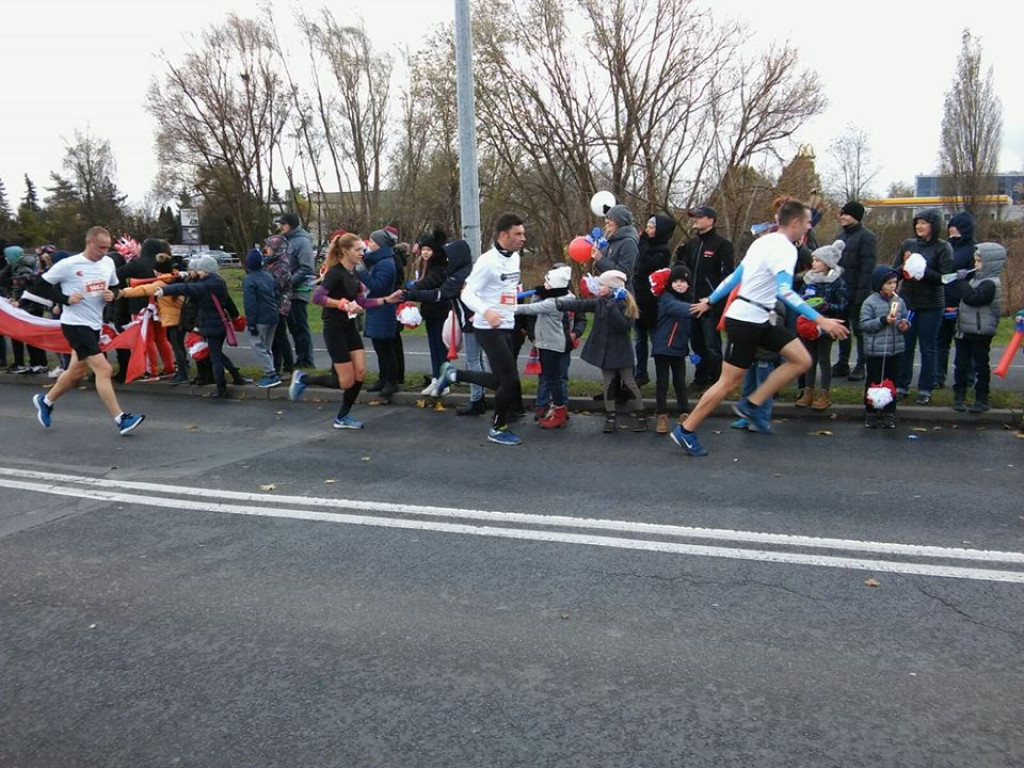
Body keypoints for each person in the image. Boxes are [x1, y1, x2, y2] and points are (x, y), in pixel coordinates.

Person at [670, 200, 849, 457]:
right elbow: (784, 291)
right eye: (807, 222)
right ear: (795, 223)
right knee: (727, 383)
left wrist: (711, 300)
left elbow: (735, 277)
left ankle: (752, 403)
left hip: (761, 317)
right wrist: (821, 320)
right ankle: (686, 430)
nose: (809, 227)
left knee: (801, 359)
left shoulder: (762, 242)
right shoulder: (785, 250)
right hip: (745, 320)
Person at [31, 226, 144, 435]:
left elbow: (115, 288)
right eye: (100, 247)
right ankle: (121, 419)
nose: (104, 252)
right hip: (75, 325)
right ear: (89, 242)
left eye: (107, 247)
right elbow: (38, 286)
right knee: (104, 370)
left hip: (94, 324)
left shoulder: (108, 262)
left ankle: (46, 401)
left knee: (76, 372)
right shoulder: (69, 265)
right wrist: (65, 299)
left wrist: (112, 295)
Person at [433, 213, 528, 446]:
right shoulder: (487, 262)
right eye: (518, 234)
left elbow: (508, 287)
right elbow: (466, 293)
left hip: (507, 324)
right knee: (510, 381)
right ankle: (497, 427)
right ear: (503, 235)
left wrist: (513, 307)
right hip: (487, 327)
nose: (523, 238)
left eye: (523, 233)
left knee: (500, 381)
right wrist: (486, 311)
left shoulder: (514, 258)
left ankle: (454, 375)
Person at [288, 233, 394, 429]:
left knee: (360, 372)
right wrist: (342, 304)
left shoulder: (354, 273)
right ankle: (304, 378)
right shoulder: (335, 273)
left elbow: (362, 302)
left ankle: (342, 417)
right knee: (345, 382)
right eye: (358, 250)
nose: (363, 253)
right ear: (345, 251)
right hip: (334, 329)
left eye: (363, 249)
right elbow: (317, 298)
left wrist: (388, 300)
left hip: (349, 327)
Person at [396, 240, 481, 414]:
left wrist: (411, 293)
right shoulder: (459, 272)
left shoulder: (459, 275)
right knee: (476, 360)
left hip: (472, 321)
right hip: (472, 320)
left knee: (475, 361)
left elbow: (441, 293)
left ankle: (477, 399)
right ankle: (473, 395)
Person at [556, 270, 646, 433]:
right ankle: (610, 416)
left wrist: (613, 308)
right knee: (608, 384)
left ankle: (641, 415)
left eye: (602, 285)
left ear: (612, 288)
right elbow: (580, 305)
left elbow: (624, 327)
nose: (599, 287)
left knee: (629, 382)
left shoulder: (625, 304)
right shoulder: (600, 302)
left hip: (621, 350)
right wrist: (559, 304)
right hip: (605, 350)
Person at [157, 255, 251, 399]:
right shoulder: (218, 281)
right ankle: (237, 377)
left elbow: (187, 287)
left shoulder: (206, 285)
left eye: (200, 270)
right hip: (219, 324)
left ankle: (221, 388)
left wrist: (165, 290)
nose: (198, 272)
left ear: (206, 271)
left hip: (210, 326)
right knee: (217, 353)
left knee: (215, 358)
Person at [891, 208, 954, 405]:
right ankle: (901, 385)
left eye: (924, 222)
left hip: (932, 304)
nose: (919, 226)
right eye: (917, 222)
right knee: (906, 345)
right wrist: (904, 267)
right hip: (908, 302)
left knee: (928, 347)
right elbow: (896, 272)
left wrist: (922, 270)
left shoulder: (943, 247)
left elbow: (945, 278)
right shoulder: (908, 244)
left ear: (934, 225)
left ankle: (925, 388)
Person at [673, 205, 734, 389]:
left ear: (710, 220)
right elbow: (683, 273)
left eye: (699, 217)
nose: (695, 220)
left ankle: (715, 380)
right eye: (694, 217)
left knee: (711, 345)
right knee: (696, 346)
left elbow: (727, 278)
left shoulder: (722, 245)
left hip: (710, 304)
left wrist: (712, 301)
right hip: (691, 303)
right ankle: (700, 376)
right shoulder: (691, 244)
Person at [512, 265, 575, 428]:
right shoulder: (562, 295)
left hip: (551, 345)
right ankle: (554, 409)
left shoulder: (553, 303)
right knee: (551, 378)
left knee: (553, 380)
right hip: (548, 343)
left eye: (547, 282)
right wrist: (542, 290)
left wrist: (503, 306)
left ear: (554, 286)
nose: (544, 284)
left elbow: (528, 308)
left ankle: (559, 412)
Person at [793, 240, 848, 411]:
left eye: (818, 260)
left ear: (828, 263)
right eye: (813, 260)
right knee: (809, 359)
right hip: (807, 326)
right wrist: (805, 303)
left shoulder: (837, 282)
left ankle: (824, 393)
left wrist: (826, 306)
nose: (814, 264)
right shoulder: (808, 280)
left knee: (823, 359)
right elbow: (799, 298)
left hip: (826, 327)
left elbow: (843, 305)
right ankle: (808, 391)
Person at [952, 243, 1005, 413]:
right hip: (964, 330)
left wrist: (960, 283)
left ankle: (981, 399)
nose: (975, 265)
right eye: (975, 261)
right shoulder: (975, 279)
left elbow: (973, 298)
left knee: (980, 366)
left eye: (979, 261)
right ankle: (959, 397)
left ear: (991, 263)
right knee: (960, 365)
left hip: (980, 332)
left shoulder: (991, 283)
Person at [860, 266, 910, 428]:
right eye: (889, 283)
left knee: (891, 381)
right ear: (880, 284)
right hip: (876, 350)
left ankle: (889, 411)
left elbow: (904, 318)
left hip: (894, 350)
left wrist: (904, 325)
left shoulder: (899, 301)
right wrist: (882, 321)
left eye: (895, 283)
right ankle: (871, 411)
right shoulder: (870, 302)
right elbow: (864, 325)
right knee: (874, 381)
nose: (892, 286)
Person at [833, 201, 877, 381]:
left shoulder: (867, 237)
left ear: (856, 216)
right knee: (842, 329)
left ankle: (861, 365)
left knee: (860, 330)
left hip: (858, 291)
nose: (842, 216)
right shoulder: (840, 236)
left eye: (846, 213)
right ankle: (842, 363)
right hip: (841, 291)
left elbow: (867, 268)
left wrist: (861, 294)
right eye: (841, 213)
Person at [633, 214, 676, 386]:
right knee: (639, 340)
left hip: (652, 302)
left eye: (652, 227)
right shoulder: (644, 244)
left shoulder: (662, 250)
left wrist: (642, 240)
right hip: (639, 298)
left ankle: (662, 375)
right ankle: (641, 373)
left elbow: (645, 262)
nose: (647, 230)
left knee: (656, 340)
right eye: (647, 227)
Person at [406, 228, 449, 394]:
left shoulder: (439, 267)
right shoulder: (424, 266)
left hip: (440, 311)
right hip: (430, 312)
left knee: (440, 347)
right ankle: (436, 378)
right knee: (433, 346)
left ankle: (443, 381)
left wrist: (412, 289)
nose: (425, 252)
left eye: (428, 250)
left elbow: (429, 283)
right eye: (423, 249)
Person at [651, 263, 692, 434]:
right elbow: (682, 310)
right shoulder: (666, 299)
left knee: (680, 382)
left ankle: (684, 413)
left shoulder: (689, 299)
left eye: (683, 281)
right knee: (662, 383)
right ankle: (661, 415)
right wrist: (702, 308)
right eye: (676, 281)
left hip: (679, 347)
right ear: (670, 283)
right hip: (663, 347)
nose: (680, 284)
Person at [938, 211, 977, 389]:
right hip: (942, 299)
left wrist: (966, 276)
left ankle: (967, 378)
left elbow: (977, 273)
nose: (951, 230)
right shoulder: (946, 247)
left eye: (954, 227)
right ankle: (938, 377)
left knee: (964, 342)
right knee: (941, 341)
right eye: (950, 227)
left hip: (962, 301)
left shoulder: (974, 249)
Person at [361, 229, 401, 400]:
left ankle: (391, 381)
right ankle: (383, 378)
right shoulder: (379, 261)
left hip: (383, 310)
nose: (368, 244)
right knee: (379, 347)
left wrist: (361, 273)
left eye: (371, 241)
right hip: (377, 308)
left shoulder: (386, 263)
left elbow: (378, 286)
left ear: (379, 244)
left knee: (385, 348)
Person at [275, 212, 316, 368]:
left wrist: (288, 282)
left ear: (290, 224)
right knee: (293, 326)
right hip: (288, 291)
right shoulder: (288, 240)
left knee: (300, 326)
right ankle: (301, 358)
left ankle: (306, 360)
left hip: (298, 290)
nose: (280, 227)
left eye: (283, 224)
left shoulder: (301, 241)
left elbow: (306, 267)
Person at [243, 248, 282, 388]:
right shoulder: (268, 276)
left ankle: (271, 374)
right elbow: (276, 294)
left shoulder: (249, 280)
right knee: (267, 346)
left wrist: (251, 323)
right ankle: (271, 371)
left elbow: (250, 304)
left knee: (258, 345)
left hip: (259, 317)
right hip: (272, 315)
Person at [262, 234, 294, 376]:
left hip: (280, 305)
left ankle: (287, 365)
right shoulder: (270, 262)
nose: (266, 249)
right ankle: (277, 364)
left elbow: (276, 284)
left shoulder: (281, 264)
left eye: (268, 246)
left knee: (280, 336)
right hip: (272, 304)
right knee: (275, 337)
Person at [592, 205, 639, 279]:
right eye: (606, 221)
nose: (606, 224)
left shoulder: (629, 243)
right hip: (606, 287)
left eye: (610, 221)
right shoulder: (610, 239)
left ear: (619, 221)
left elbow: (624, 273)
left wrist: (600, 259)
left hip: (621, 289)